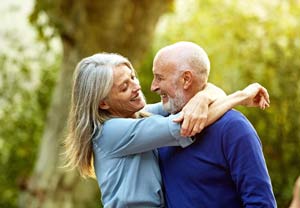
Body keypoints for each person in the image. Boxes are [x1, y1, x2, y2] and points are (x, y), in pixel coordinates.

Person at [64, 52, 270, 208]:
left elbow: (201, 94)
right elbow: (187, 124)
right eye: (124, 87)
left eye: (133, 77)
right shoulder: (110, 132)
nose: (138, 87)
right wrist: (242, 96)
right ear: (103, 104)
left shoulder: (139, 115)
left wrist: (202, 97)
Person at [151, 41, 276, 207]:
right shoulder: (160, 126)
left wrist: (207, 95)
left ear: (186, 79)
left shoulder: (233, 128)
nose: (153, 87)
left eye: (160, 78)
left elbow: (261, 203)